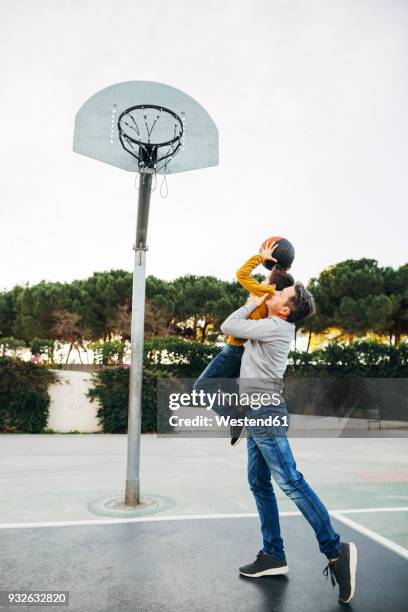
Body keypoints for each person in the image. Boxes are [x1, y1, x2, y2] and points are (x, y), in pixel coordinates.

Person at [219, 285, 357, 605]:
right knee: (258, 482)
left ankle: (337, 552)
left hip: (266, 413)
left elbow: (229, 325)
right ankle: (273, 554)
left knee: (291, 481)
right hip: (257, 412)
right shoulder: (272, 323)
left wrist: (253, 301)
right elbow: (267, 291)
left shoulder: (276, 326)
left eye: (282, 293)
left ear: (284, 310)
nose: (275, 291)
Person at [194, 245, 294, 444]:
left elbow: (241, 274)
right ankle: (239, 415)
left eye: (266, 278)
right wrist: (282, 268)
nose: (263, 279)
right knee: (227, 386)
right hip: (243, 350)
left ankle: (235, 417)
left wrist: (260, 257)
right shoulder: (273, 296)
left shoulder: (266, 291)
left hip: (234, 350)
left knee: (201, 388)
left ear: (273, 284)